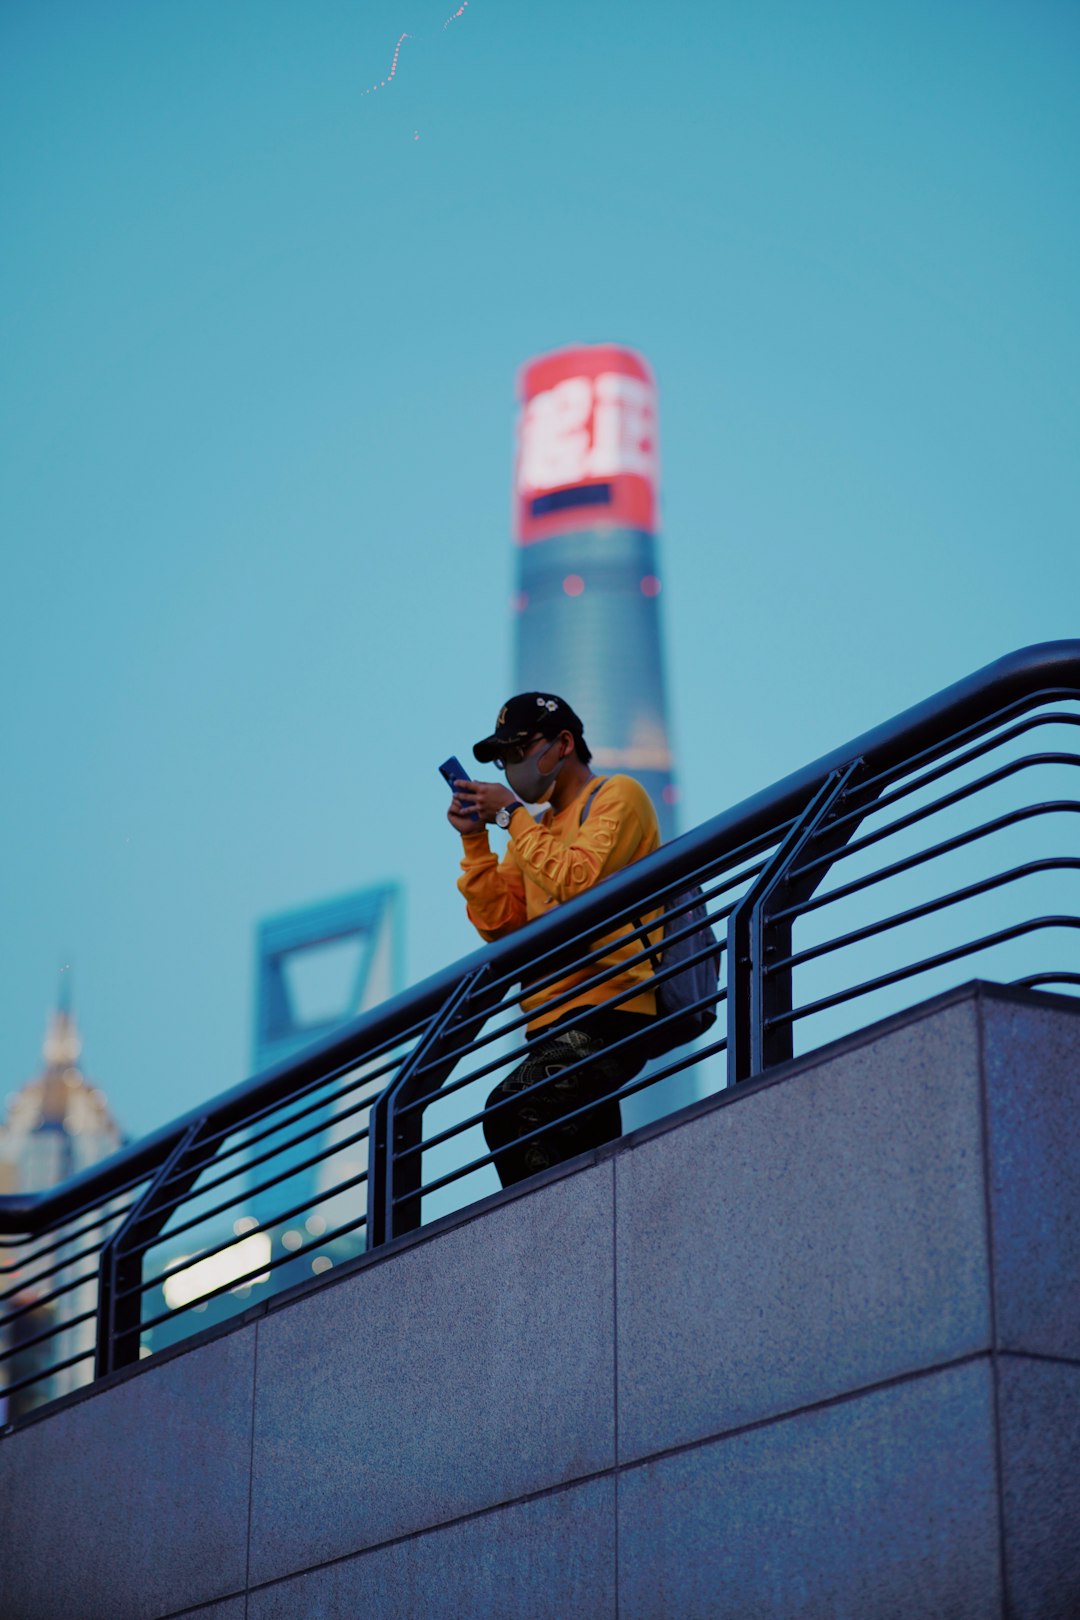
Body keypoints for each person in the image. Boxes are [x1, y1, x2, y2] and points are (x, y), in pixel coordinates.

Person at [447, 692, 662, 1187]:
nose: (511, 768)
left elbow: (579, 880)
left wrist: (510, 818)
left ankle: (544, 1255)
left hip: (612, 1008)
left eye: (521, 750)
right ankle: (588, 1257)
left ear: (564, 743)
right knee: (587, 1162)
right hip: (548, 1022)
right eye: (504, 759)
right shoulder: (536, 830)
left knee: (510, 1113)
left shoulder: (617, 797)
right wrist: (474, 839)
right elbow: (503, 926)